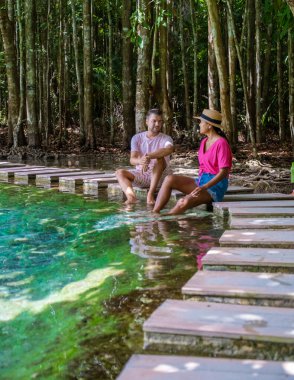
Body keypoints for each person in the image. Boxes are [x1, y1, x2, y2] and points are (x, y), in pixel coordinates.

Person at [153, 109, 233, 214]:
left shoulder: (221, 143)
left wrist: (204, 187)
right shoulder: (204, 141)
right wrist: (201, 185)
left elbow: (224, 172)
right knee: (169, 179)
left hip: (214, 187)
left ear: (209, 125)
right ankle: (155, 213)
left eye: (201, 122)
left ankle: (164, 221)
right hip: (201, 182)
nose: (199, 125)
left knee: (183, 201)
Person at [116, 109, 174, 205]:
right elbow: (132, 160)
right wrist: (140, 161)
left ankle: (150, 194)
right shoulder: (137, 138)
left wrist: (149, 156)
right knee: (119, 173)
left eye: (160, 121)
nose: (157, 124)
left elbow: (169, 149)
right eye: (154, 121)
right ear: (147, 122)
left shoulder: (166, 138)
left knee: (159, 158)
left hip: (161, 178)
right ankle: (132, 198)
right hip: (142, 175)